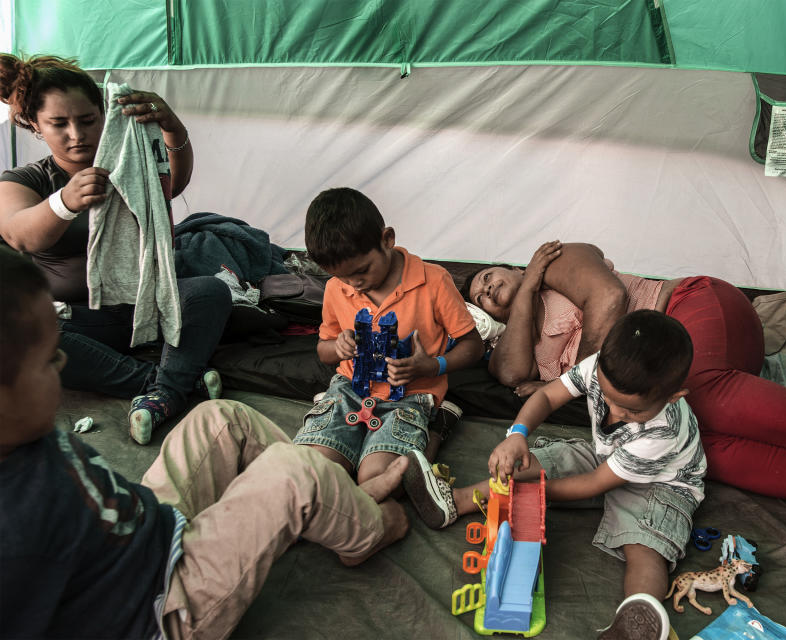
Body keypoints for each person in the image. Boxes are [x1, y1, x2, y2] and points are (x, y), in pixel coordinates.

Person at [461, 241, 786, 565]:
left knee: (697, 396)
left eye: (488, 275)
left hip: (696, 311)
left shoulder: (556, 259)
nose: (485, 289)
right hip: (655, 389)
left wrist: (601, 374)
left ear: (512, 259)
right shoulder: (521, 315)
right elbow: (509, 372)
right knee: (700, 449)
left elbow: (611, 298)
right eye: (480, 297)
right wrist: (520, 297)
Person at [0, 246, 411, 638]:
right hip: (161, 610)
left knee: (219, 418)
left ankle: (327, 502)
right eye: (49, 359)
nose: (64, 363)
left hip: (153, 536)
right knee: (292, 472)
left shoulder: (20, 433)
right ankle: (367, 530)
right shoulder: (14, 526)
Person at [403, 310, 706, 640]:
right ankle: (454, 502)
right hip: (609, 456)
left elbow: (595, 484)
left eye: (632, 411)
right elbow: (547, 395)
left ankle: (639, 614)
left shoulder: (663, 431)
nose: (616, 413)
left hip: (662, 485)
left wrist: (538, 492)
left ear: (673, 397)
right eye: (607, 399)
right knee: (536, 462)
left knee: (643, 543)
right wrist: (517, 435)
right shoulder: (598, 367)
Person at [0, 53, 232, 445]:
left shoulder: (131, 163)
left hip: (148, 305)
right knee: (24, 332)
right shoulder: (26, 179)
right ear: (36, 126)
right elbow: (20, 234)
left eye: (88, 120)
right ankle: (167, 384)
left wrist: (172, 129)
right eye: (59, 124)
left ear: (104, 114)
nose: (76, 134)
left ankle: (164, 388)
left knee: (209, 292)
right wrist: (64, 202)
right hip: (79, 321)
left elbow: (170, 186)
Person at [292, 187, 484, 484]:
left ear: (387, 239)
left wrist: (433, 366)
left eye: (362, 270)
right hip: (349, 390)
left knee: (380, 479)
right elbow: (323, 350)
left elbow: (473, 345)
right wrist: (338, 347)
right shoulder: (336, 289)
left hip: (409, 396)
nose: (354, 284)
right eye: (343, 277)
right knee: (315, 472)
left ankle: (436, 429)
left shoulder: (433, 281)